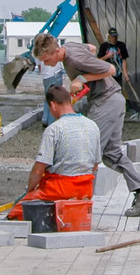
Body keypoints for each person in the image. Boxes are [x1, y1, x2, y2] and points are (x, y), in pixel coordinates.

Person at [32, 31, 140, 217]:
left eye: (46, 59)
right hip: (114, 100)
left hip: (105, 101)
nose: (46, 63)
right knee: (111, 154)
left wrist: (81, 78)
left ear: (56, 51)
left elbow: (111, 70)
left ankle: (81, 201)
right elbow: (91, 48)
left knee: (88, 150)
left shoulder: (73, 59)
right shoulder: (71, 47)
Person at [7, 84, 101, 220]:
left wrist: (30, 191)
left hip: (60, 188)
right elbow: (95, 166)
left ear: (52, 105)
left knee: (18, 211)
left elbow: (38, 170)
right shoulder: (92, 126)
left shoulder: (54, 129)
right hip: (85, 188)